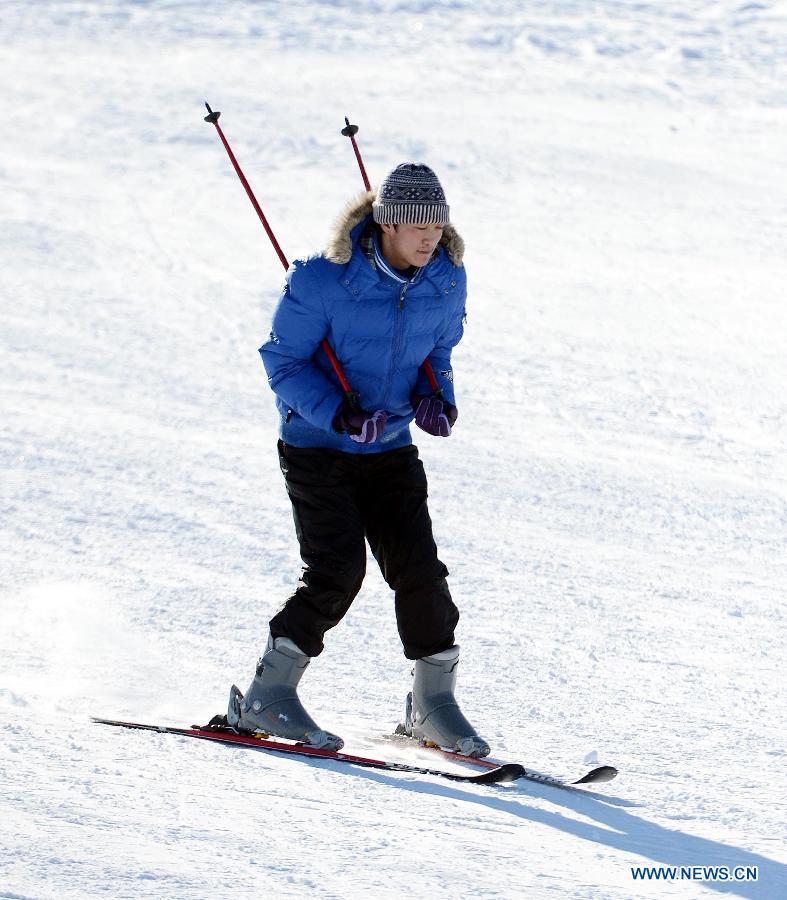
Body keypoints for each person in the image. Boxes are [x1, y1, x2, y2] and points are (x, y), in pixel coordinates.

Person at [227, 163, 489, 758]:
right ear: (386, 224)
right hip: (318, 447)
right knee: (337, 571)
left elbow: (440, 346)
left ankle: (433, 705)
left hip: (391, 446)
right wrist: (338, 415)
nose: (429, 236)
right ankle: (267, 695)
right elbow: (283, 363)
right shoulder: (323, 280)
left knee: (420, 572)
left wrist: (435, 398)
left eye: (437, 223)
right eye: (417, 225)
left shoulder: (446, 278)